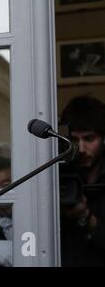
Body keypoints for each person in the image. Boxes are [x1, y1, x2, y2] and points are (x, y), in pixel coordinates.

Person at [59, 96, 105, 266]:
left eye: (89, 139)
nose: (81, 149)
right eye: (74, 140)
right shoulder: (56, 173)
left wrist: (86, 217)